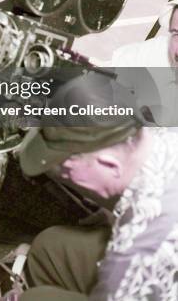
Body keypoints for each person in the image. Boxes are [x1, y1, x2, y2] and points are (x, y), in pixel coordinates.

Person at [18, 119, 178, 300]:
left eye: (66, 171)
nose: (66, 178)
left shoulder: (136, 254)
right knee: (49, 248)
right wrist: (120, 210)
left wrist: (127, 225)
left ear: (109, 164)